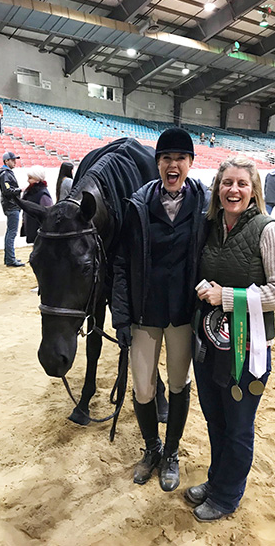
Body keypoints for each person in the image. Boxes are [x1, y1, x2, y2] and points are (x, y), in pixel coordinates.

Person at [187, 156, 275, 522]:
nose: (233, 190)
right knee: (215, 420)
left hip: (247, 351)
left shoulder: (268, 230)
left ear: (253, 192)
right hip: (208, 345)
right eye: (227, 183)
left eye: (242, 184)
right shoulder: (210, 227)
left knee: (237, 426)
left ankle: (227, 495)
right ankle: (216, 480)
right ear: (217, 189)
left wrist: (227, 297)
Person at [112, 128, 210, 492]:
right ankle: (152, 448)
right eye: (166, 158)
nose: (173, 164)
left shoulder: (204, 203)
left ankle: (172, 452)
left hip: (184, 314)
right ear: (157, 164)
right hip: (144, 314)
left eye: (180, 158)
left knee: (179, 383)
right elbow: (120, 265)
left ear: (190, 164)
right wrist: (121, 316)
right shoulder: (137, 205)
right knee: (142, 388)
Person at [0, 151, 24, 267]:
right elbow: (7, 191)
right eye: (12, 160)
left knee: (10, 232)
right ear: (6, 161)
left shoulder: (6, 173)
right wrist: (20, 190)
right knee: (12, 233)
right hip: (11, 206)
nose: (15, 162)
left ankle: (9, 258)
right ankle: (10, 259)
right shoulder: (5, 174)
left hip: (11, 205)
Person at [21, 166, 53, 243]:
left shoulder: (43, 194)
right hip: (31, 227)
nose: (28, 180)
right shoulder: (29, 192)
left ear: (37, 179)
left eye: (30, 178)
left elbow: (48, 213)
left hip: (40, 229)